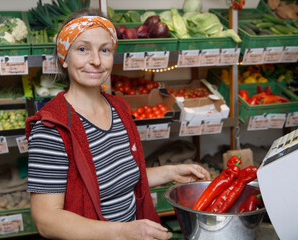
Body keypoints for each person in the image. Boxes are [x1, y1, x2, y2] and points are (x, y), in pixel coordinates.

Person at [25, 8, 211, 240]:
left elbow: (118, 177)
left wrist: (170, 172)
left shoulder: (119, 109)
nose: (95, 61)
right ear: (64, 57)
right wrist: (124, 231)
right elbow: (46, 220)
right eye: (82, 49)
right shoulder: (52, 128)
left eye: (105, 50)